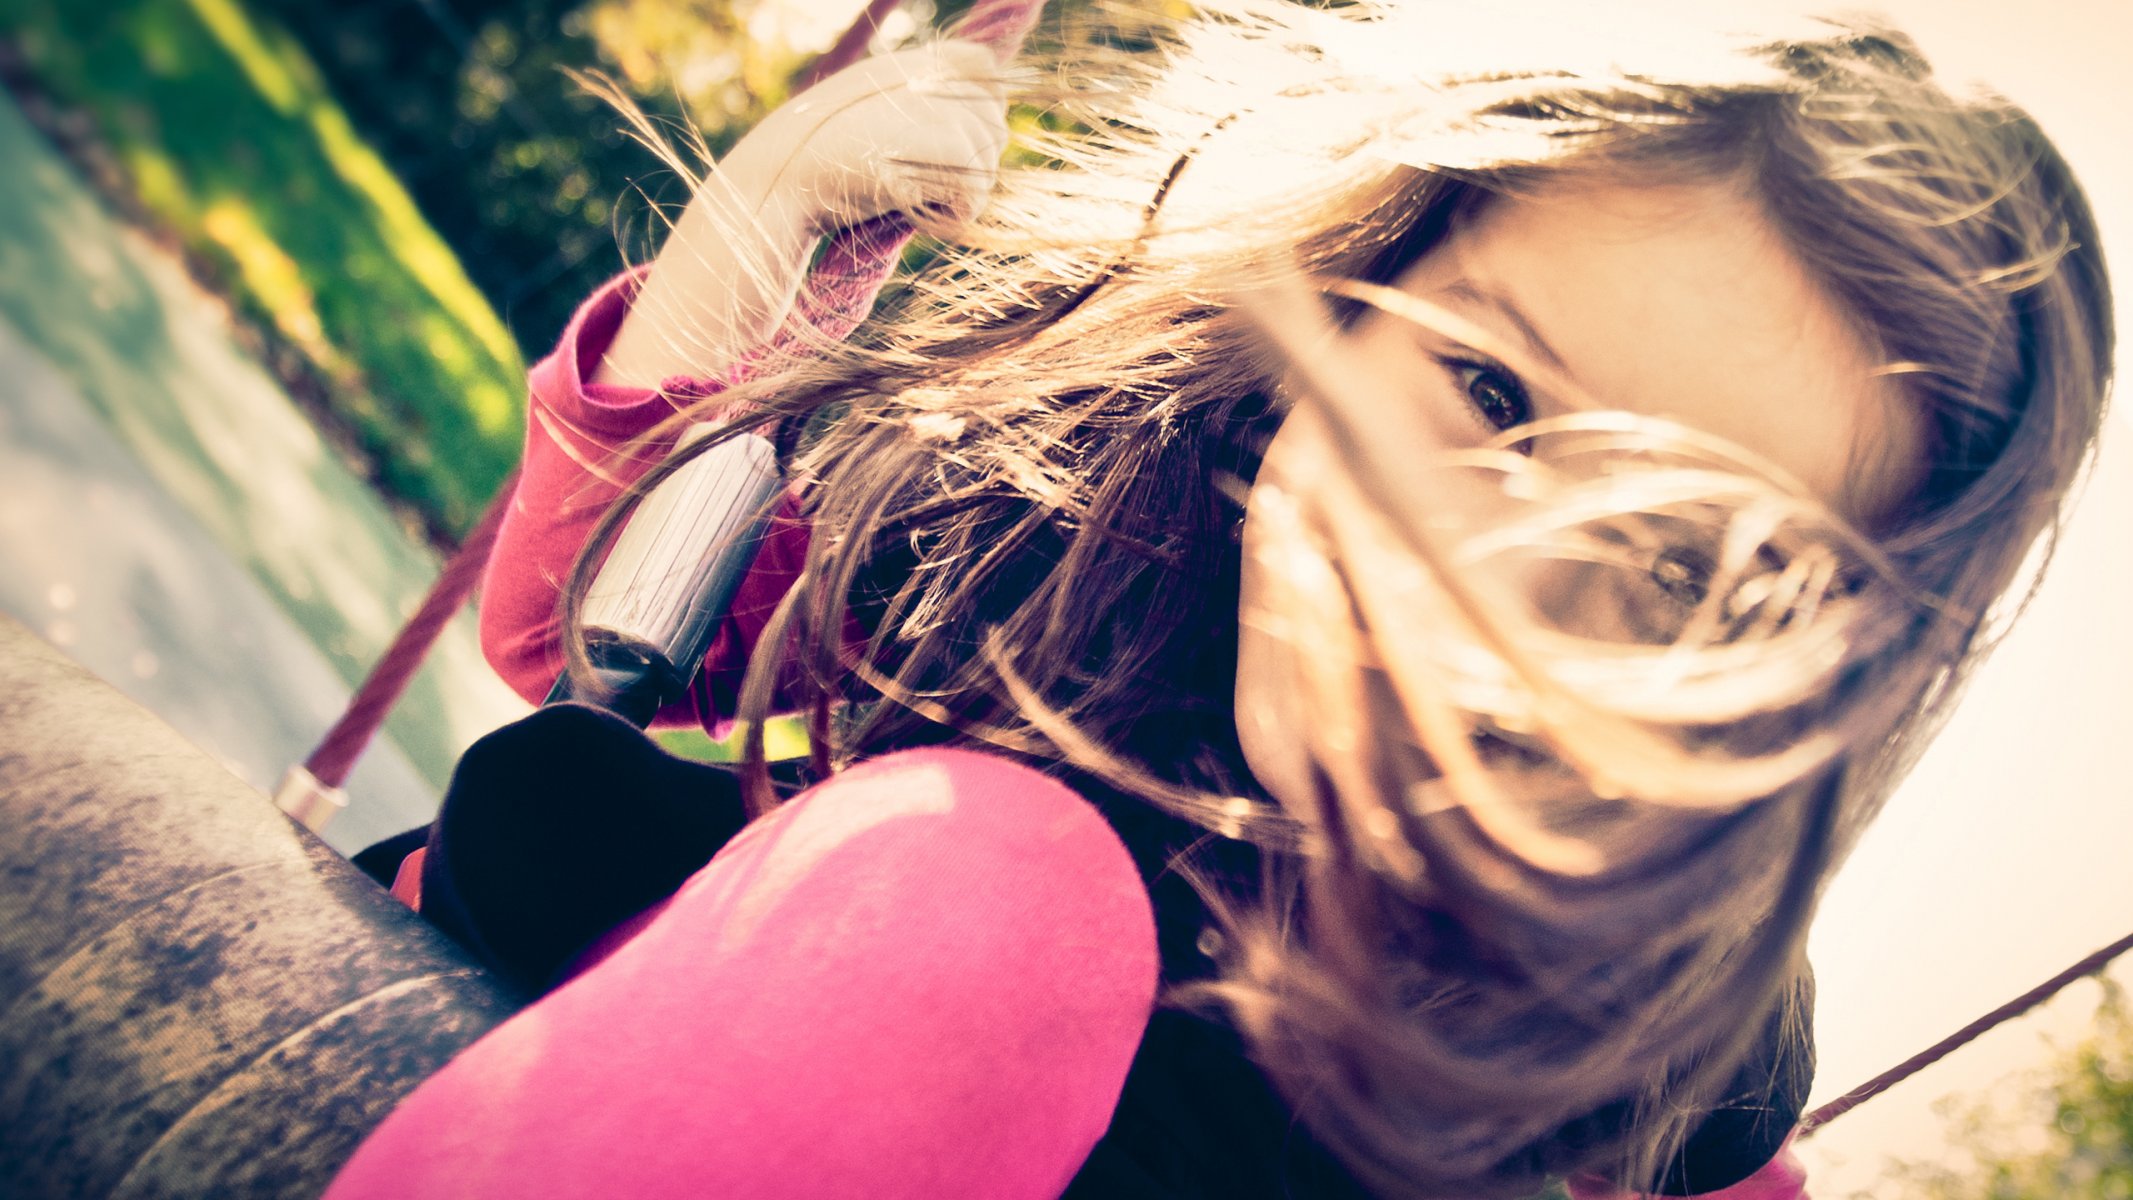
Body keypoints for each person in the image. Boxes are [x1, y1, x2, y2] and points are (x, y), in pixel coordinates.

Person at [334, 3, 2113, 1197]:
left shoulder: (1665, 1048)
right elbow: (583, 620)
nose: (1484, 577)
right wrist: (770, 206)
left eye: (1674, 563)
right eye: (1490, 397)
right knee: (987, 884)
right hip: (613, 990)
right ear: (1348, 305)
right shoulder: (1067, 535)